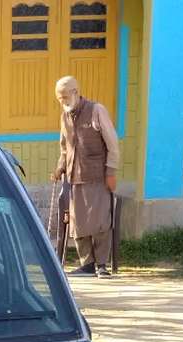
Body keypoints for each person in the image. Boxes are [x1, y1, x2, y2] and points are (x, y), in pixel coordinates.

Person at [51, 76, 119, 279]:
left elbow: (113, 144)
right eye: (59, 98)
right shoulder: (64, 117)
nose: (62, 101)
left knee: (100, 222)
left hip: (98, 176)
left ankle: (102, 265)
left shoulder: (97, 110)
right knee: (78, 223)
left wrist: (111, 172)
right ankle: (87, 264)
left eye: (64, 96)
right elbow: (64, 149)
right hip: (74, 176)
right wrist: (59, 169)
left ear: (75, 92)